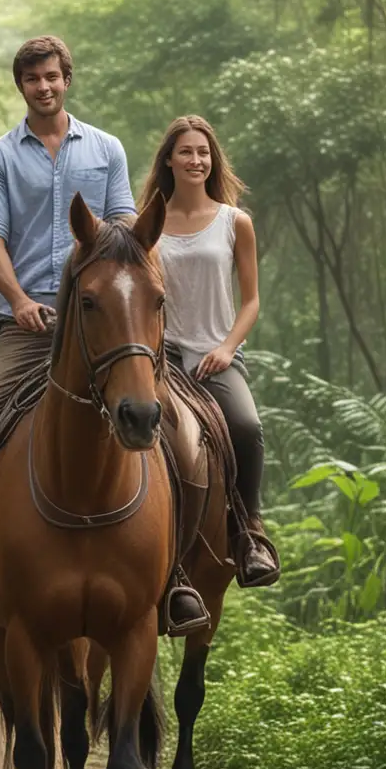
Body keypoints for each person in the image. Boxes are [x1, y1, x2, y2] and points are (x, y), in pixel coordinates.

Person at [0, 35, 212, 634]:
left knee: (184, 440)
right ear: (21, 87)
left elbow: (127, 227)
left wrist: (129, 281)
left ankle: (177, 576)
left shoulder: (106, 149)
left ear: (67, 79)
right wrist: (22, 300)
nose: (45, 86)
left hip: (106, 327)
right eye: (33, 80)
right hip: (28, 332)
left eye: (53, 76)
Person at [140, 116, 279, 586]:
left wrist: (226, 348)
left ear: (212, 160)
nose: (196, 160)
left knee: (246, 425)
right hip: (161, 359)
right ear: (169, 160)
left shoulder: (234, 222)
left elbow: (252, 300)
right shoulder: (149, 225)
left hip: (214, 357)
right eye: (186, 152)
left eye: (203, 152)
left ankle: (250, 532)